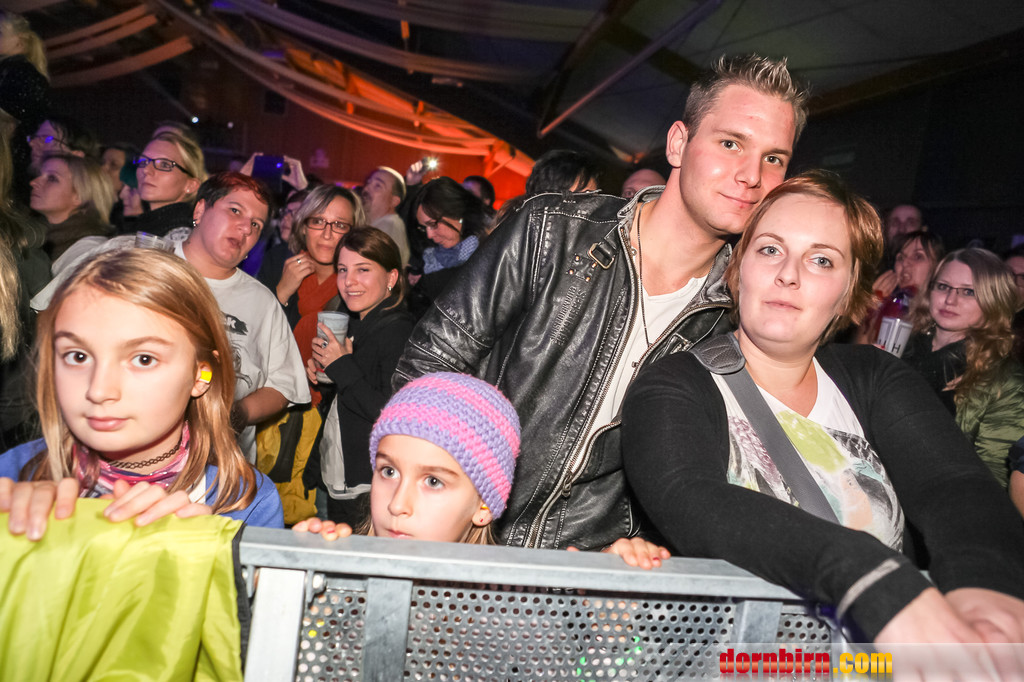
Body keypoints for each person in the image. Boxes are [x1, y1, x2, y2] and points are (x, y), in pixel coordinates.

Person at [395, 54, 808, 551]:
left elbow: (701, 472)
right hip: (462, 540)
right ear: (679, 143)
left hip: (588, 575)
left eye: (773, 158)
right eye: (730, 143)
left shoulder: (739, 316)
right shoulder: (552, 231)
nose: (751, 175)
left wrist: (643, 543)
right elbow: (429, 366)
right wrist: (448, 507)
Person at [621, 171, 1024, 645]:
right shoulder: (674, 385)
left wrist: (987, 588)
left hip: (867, 666)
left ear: (848, 292)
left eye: (821, 260)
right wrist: (867, 578)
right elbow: (691, 496)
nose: (788, 274)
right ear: (738, 269)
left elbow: (951, 484)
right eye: (770, 249)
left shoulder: (874, 377)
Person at [0, 249, 284, 541]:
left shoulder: (243, 502)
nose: (99, 390)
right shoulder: (13, 474)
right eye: (78, 356)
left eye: (144, 359)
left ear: (200, 376)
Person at [180, 172, 310, 462]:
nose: (245, 228)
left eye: (256, 224)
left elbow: (283, 385)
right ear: (200, 210)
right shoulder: (144, 267)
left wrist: (236, 414)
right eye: (235, 210)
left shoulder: (261, 301)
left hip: (221, 464)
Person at [304, 227, 415, 523]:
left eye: (363, 270)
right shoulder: (355, 323)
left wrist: (341, 366)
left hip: (371, 486)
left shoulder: (398, 331)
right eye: (342, 270)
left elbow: (392, 415)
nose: (349, 281)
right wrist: (325, 374)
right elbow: (351, 398)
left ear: (391, 277)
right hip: (341, 476)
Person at [901, 249, 1024, 487]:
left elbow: (992, 478)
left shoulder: (1007, 381)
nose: (950, 300)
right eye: (943, 286)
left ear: (993, 300)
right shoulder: (902, 346)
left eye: (968, 291)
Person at [271, 185, 363, 402]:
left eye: (339, 225)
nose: (327, 234)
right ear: (303, 227)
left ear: (353, 233)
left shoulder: (360, 286)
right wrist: (281, 293)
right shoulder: (276, 263)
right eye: (318, 221)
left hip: (331, 406)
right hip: (272, 397)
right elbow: (254, 343)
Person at [407, 176, 488, 319]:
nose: (429, 235)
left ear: (456, 212)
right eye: (423, 228)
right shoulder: (431, 260)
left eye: (433, 224)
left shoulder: (488, 255)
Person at [853, 230, 944, 345]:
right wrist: (872, 308)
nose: (905, 263)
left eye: (918, 256)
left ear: (938, 267)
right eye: (901, 258)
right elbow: (859, 352)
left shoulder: (941, 316)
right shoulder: (892, 308)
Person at [115, 131, 205, 237]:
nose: (146, 170)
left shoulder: (179, 236)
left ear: (191, 185)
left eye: (164, 164)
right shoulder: (147, 226)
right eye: (143, 161)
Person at [0, 11, 48, 202]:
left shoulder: (21, 74)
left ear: (19, 42)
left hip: (12, 170)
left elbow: (13, 118)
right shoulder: (14, 72)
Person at [29, 153, 114, 260]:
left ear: (79, 196)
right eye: (38, 175)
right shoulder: (29, 233)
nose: (33, 182)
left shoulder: (87, 252)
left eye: (52, 178)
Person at [361, 166, 410, 266]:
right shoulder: (370, 224)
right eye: (369, 183)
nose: (367, 188)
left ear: (394, 201)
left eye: (378, 186)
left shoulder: (389, 225)